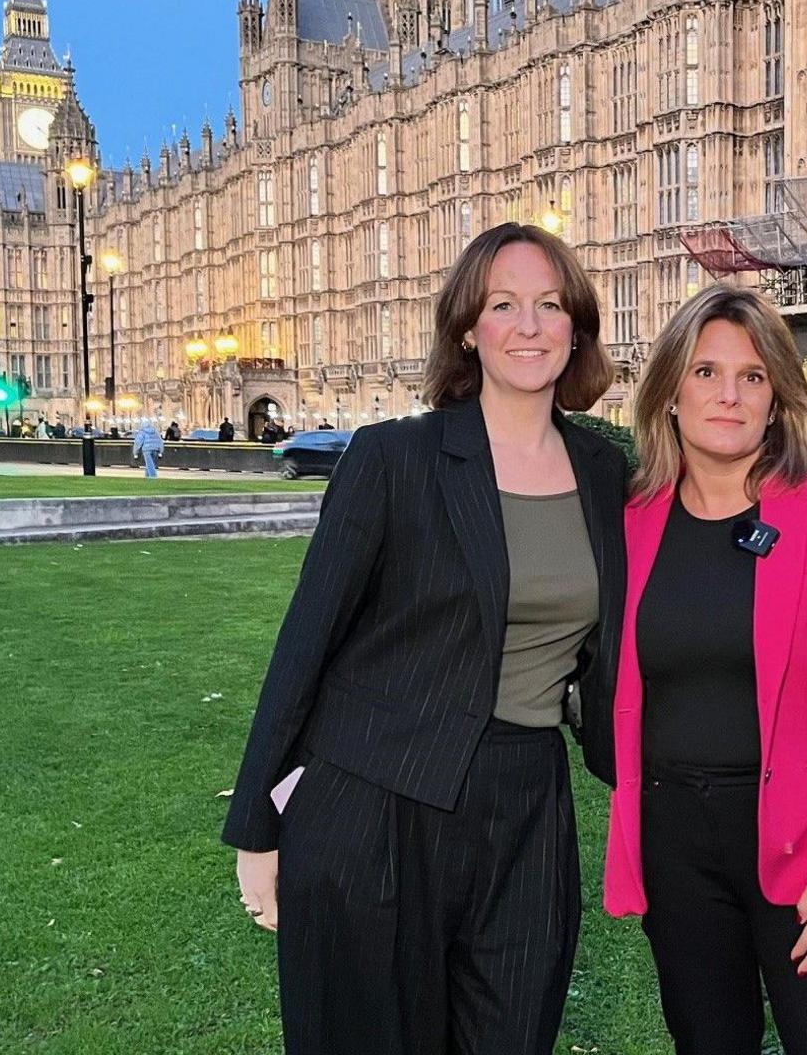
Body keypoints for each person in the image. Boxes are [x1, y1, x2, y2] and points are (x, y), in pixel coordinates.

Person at [225, 222, 626, 1055]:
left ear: (576, 327)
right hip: (375, 799)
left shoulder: (606, 472)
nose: (528, 325)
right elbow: (306, 641)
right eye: (503, 304)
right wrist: (258, 829)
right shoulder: (393, 458)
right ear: (467, 328)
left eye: (550, 305)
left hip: (526, 802)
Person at [603, 286, 807, 1055]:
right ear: (669, 393)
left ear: (776, 399)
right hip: (674, 846)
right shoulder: (627, 520)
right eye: (706, 373)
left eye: (751, 377)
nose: (729, 396)